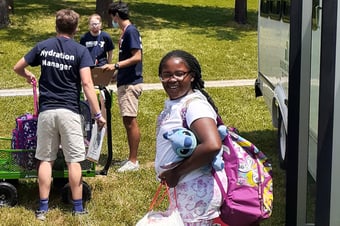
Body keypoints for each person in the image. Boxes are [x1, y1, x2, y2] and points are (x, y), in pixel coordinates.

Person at [13, 9, 106, 220]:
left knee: (45, 159)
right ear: (75, 28)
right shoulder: (80, 51)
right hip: (69, 112)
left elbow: (18, 66)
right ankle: (78, 208)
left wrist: (27, 74)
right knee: (74, 160)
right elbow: (87, 83)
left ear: (56, 26)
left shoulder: (43, 47)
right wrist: (97, 113)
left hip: (47, 112)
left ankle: (42, 209)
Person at [155, 50, 228, 225]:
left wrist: (176, 173)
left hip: (196, 189)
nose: (172, 79)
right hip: (185, 188)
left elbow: (212, 145)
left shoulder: (195, 105)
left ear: (192, 76)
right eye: (166, 75)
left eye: (179, 74)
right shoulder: (177, 103)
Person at [102, 1, 143, 172]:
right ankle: (130, 159)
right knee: (127, 120)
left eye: (112, 17)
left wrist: (115, 66)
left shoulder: (131, 31)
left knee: (130, 120)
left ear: (116, 16)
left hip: (131, 84)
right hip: (124, 80)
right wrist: (116, 75)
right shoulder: (126, 32)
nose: (112, 21)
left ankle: (133, 161)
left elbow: (137, 57)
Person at [80, 13, 115, 121]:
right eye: (92, 24)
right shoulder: (84, 38)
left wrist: (109, 64)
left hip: (102, 67)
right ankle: (90, 114)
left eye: (96, 24)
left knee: (102, 91)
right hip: (89, 68)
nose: (94, 26)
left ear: (100, 24)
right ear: (89, 25)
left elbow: (110, 51)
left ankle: (102, 114)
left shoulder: (105, 37)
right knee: (89, 89)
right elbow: (81, 53)